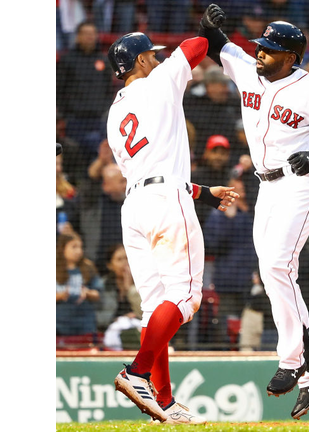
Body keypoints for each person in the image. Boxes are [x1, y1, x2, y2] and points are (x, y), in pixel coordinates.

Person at [201, 13, 309, 418]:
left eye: (270, 49)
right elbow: (219, 44)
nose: (260, 52)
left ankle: (291, 361)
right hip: (266, 186)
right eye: (260, 45)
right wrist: (208, 22)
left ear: (290, 57)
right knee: (274, 273)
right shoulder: (247, 69)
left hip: (301, 182)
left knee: (277, 265)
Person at [106, 9, 239, 424]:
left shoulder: (115, 114)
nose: (159, 59)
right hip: (165, 201)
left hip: (136, 208)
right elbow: (192, 50)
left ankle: (162, 401)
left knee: (154, 308)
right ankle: (137, 372)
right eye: (153, 55)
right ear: (142, 61)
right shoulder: (158, 82)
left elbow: (152, 170)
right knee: (186, 298)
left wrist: (202, 191)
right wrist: (208, 32)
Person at [202, 175, 257, 349]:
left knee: (248, 326)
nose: (240, 194)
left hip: (251, 282)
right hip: (228, 283)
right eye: (236, 190)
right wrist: (228, 219)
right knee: (226, 327)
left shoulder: (250, 213)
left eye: (242, 190)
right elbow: (211, 244)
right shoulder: (219, 213)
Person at [56, 21, 114, 166]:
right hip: (75, 120)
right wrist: (65, 114)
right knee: (77, 156)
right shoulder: (67, 60)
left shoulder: (103, 61)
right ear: (78, 36)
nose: (90, 37)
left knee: (101, 154)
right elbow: (59, 89)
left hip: (99, 120)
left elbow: (109, 88)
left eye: (93, 34)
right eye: (86, 34)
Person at [96, 244, 143, 351]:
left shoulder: (141, 285)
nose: (124, 263)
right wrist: (117, 319)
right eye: (119, 259)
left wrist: (130, 289)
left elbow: (146, 314)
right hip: (109, 334)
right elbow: (100, 319)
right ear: (110, 265)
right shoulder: (103, 285)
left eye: (127, 258)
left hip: (137, 331)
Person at [56, 232, 102, 337]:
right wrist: (60, 296)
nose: (78, 251)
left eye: (80, 247)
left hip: (85, 323)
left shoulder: (88, 267)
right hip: (59, 324)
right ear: (62, 248)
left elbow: (98, 294)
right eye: (74, 247)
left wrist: (88, 293)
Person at [191, 135, 233, 226]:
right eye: (214, 152)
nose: (218, 157)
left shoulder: (230, 178)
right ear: (206, 153)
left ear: (228, 156)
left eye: (222, 153)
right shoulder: (195, 176)